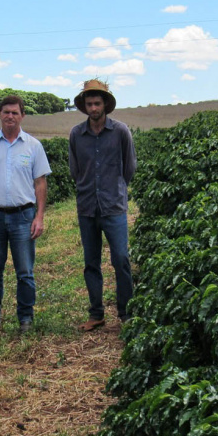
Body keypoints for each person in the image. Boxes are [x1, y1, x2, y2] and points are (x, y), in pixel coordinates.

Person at [0, 95, 51, 334]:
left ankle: (25, 318)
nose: (10, 116)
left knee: (25, 272)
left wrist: (39, 216)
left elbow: (40, 183)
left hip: (23, 216)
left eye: (15, 112)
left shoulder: (33, 146)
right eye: (6, 112)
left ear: (22, 116)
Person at [69, 79, 137, 331]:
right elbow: (75, 170)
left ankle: (126, 313)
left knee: (121, 259)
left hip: (113, 207)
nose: (93, 108)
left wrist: (114, 188)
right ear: (85, 106)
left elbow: (129, 167)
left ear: (105, 104)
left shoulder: (120, 131)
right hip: (87, 207)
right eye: (89, 104)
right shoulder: (77, 134)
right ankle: (96, 313)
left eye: (97, 103)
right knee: (91, 262)